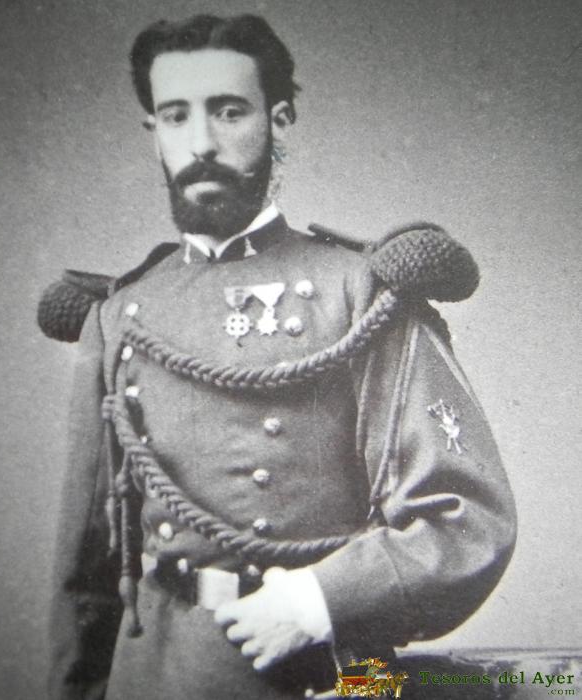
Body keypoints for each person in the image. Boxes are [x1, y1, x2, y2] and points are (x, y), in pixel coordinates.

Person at [41, 13, 517, 700]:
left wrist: (314, 602)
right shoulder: (120, 316)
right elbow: (86, 575)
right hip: (159, 675)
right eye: (175, 116)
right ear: (155, 133)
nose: (201, 142)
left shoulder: (361, 292)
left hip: (328, 671)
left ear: (279, 120)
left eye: (228, 111)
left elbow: (463, 517)